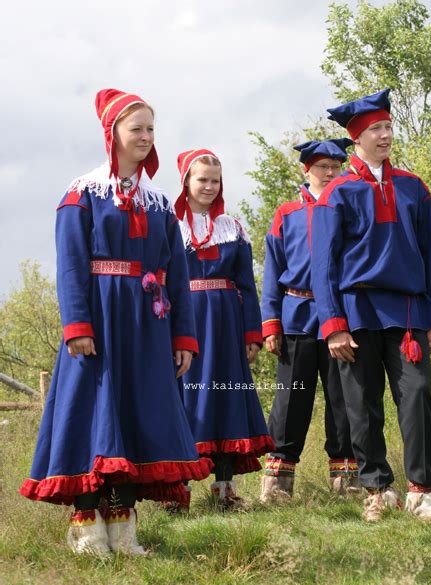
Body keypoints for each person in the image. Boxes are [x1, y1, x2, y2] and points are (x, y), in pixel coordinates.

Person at [20, 89, 212, 554]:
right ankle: (86, 527)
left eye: (150, 129)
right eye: (136, 129)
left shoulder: (162, 203)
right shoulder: (82, 194)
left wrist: (182, 336)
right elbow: (71, 266)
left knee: (135, 414)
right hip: (101, 322)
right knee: (94, 416)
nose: (145, 137)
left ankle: (123, 526)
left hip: (148, 326)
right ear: (113, 134)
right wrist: (78, 326)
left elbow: (177, 278)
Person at [311, 88, 431, 522]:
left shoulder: (413, 188)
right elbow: (323, 264)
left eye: (388, 126)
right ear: (357, 138)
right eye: (377, 129)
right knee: (361, 403)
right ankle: (376, 489)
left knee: (418, 396)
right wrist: (333, 324)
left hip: (407, 311)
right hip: (354, 312)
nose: (386, 135)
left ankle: (423, 491)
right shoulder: (337, 192)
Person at [174, 148, 274, 509]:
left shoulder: (233, 229)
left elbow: (246, 285)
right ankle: (176, 491)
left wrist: (252, 333)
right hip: (185, 323)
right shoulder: (170, 227)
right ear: (186, 181)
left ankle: (224, 489)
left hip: (226, 325)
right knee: (184, 400)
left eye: (215, 181)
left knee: (225, 397)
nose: (209, 187)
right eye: (202, 179)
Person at [260, 138, 359, 503]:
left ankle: (347, 481)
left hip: (339, 319)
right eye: (322, 166)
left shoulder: (348, 207)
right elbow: (273, 270)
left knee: (342, 398)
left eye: (336, 166)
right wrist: (270, 323)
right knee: (290, 400)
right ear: (307, 170)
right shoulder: (287, 212)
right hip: (296, 318)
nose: (330, 172)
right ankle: (278, 483)